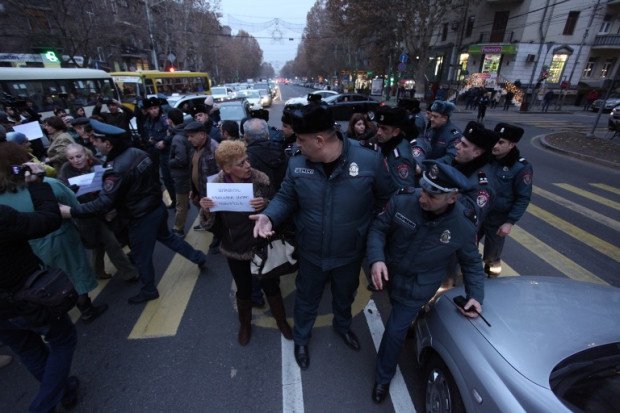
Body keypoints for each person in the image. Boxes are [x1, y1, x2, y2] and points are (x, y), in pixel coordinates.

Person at [251, 105, 395, 370]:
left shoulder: (369, 161)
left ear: (319, 140)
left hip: (349, 252)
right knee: (306, 298)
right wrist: (269, 216)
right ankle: (302, 339)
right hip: (311, 251)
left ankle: (343, 327)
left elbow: (386, 202)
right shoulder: (297, 162)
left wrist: (372, 236)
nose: (296, 144)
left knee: (345, 295)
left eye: (301, 139)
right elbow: (285, 197)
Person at [367, 160, 486, 404]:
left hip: (417, 286)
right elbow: (378, 229)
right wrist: (377, 259)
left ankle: (383, 377)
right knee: (396, 319)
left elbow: (472, 263)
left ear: (452, 198)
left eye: (432, 196)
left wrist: (476, 295)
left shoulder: (462, 226)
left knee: (394, 332)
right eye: (423, 189)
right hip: (390, 272)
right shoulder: (403, 200)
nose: (423, 198)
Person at [58, 120, 209, 304]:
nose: (93, 144)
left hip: (141, 217)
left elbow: (103, 203)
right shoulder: (137, 153)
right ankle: (198, 257)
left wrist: (73, 211)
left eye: (96, 140)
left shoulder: (116, 168)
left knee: (141, 256)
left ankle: (149, 290)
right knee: (168, 238)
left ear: (108, 143)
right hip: (155, 207)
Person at [0, 142, 108, 324]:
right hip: (61, 238)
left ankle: (56, 308)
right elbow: (74, 205)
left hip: (29, 248)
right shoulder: (48, 184)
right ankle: (86, 308)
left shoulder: (2, 197)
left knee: (44, 279)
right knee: (76, 273)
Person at [0, 171, 80, 413]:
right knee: (63, 340)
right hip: (29, 297)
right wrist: (37, 184)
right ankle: (42, 406)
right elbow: (48, 219)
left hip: (4, 313)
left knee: (29, 351)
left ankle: (64, 390)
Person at [199, 140, 293, 345]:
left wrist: (266, 205)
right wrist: (206, 209)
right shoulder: (215, 186)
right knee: (243, 289)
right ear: (226, 168)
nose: (248, 165)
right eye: (241, 163)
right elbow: (211, 227)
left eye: (247, 160)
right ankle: (245, 324)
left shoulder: (262, 180)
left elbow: (280, 205)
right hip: (236, 248)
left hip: (262, 245)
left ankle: (281, 321)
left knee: (271, 285)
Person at [58, 143, 139, 282]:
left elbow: (112, 181)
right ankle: (126, 273)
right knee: (105, 243)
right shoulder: (65, 170)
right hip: (84, 213)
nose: (76, 160)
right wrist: (71, 190)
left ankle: (106, 272)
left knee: (104, 243)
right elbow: (62, 191)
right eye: (71, 158)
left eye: (79, 156)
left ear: (86, 154)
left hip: (103, 208)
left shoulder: (97, 163)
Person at [480, 123, 533, 277]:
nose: (495, 145)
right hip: (479, 211)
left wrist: (509, 222)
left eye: (501, 142)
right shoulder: (486, 158)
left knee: (492, 256)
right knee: (465, 247)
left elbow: (523, 197)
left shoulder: (521, 167)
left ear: (512, 145)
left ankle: (492, 278)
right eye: (495, 140)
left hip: (497, 218)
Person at [411, 100, 461, 171]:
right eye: (431, 115)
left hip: (439, 172)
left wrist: (428, 165)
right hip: (424, 168)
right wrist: (418, 161)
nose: (431, 119)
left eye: (435, 116)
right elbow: (423, 145)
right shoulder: (431, 130)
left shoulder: (454, 135)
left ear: (444, 118)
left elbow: (451, 157)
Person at [374, 106, 416, 188]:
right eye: (378, 126)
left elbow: (405, 193)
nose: (378, 132)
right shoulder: (390, 143)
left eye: (384, 129)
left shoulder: (399, 158)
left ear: (396, 132)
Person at [167, 108, 193, 236]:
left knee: (181, 203)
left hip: (181, 176)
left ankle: (178, 228)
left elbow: (181, 159)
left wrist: (169, 162)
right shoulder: (186, 131)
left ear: (170, 121)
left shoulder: (177, 137)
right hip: (190, 173)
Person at [243, 118, 287, 193]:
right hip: (282, 198)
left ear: (245, 136)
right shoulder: (282, 151)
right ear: (267, 134)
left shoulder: (245, 159)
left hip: (260, 200)